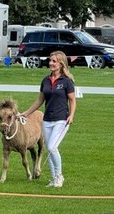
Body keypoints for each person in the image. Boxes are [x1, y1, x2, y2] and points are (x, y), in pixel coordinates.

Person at [20, 51, 76, 188]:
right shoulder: (45, 80)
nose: (51, 63)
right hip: (47, 120)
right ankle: (53, 178)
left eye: (54, 61)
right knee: (50, 149)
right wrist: (25, 113)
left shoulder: (67, 82)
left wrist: (71, 115)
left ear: (61, 64)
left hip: (61, 120)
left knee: (52, 147)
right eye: (50, 61)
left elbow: (72, 100)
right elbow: (39, 100)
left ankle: (59, 176)